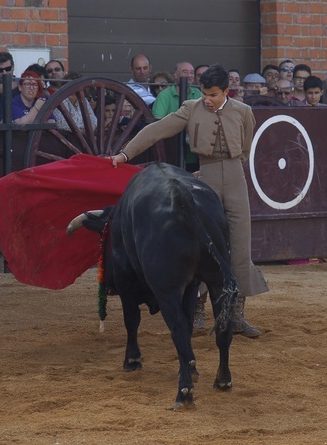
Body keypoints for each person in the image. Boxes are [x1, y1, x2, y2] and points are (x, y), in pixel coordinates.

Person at [110, 64, 269, 338]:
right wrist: (126, 154)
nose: (207, 99)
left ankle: (235, 316)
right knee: (202, 246)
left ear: (226, 92)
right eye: (204, 93)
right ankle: (197, 313)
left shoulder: (243, 111)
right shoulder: (191, 108)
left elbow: (245, 149)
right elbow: (158, 129)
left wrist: (229, 170)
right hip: (205, 180)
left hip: (236, 180)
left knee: (240, 245)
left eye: (213, 95)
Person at [152, 61, 202, 172]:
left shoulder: (198, 93)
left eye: (191, 72)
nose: (189, 75)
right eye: (185, 72)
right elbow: (157, 122)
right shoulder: (164, 95)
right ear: (175, 75)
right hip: (169, 154)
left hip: (194, 154)